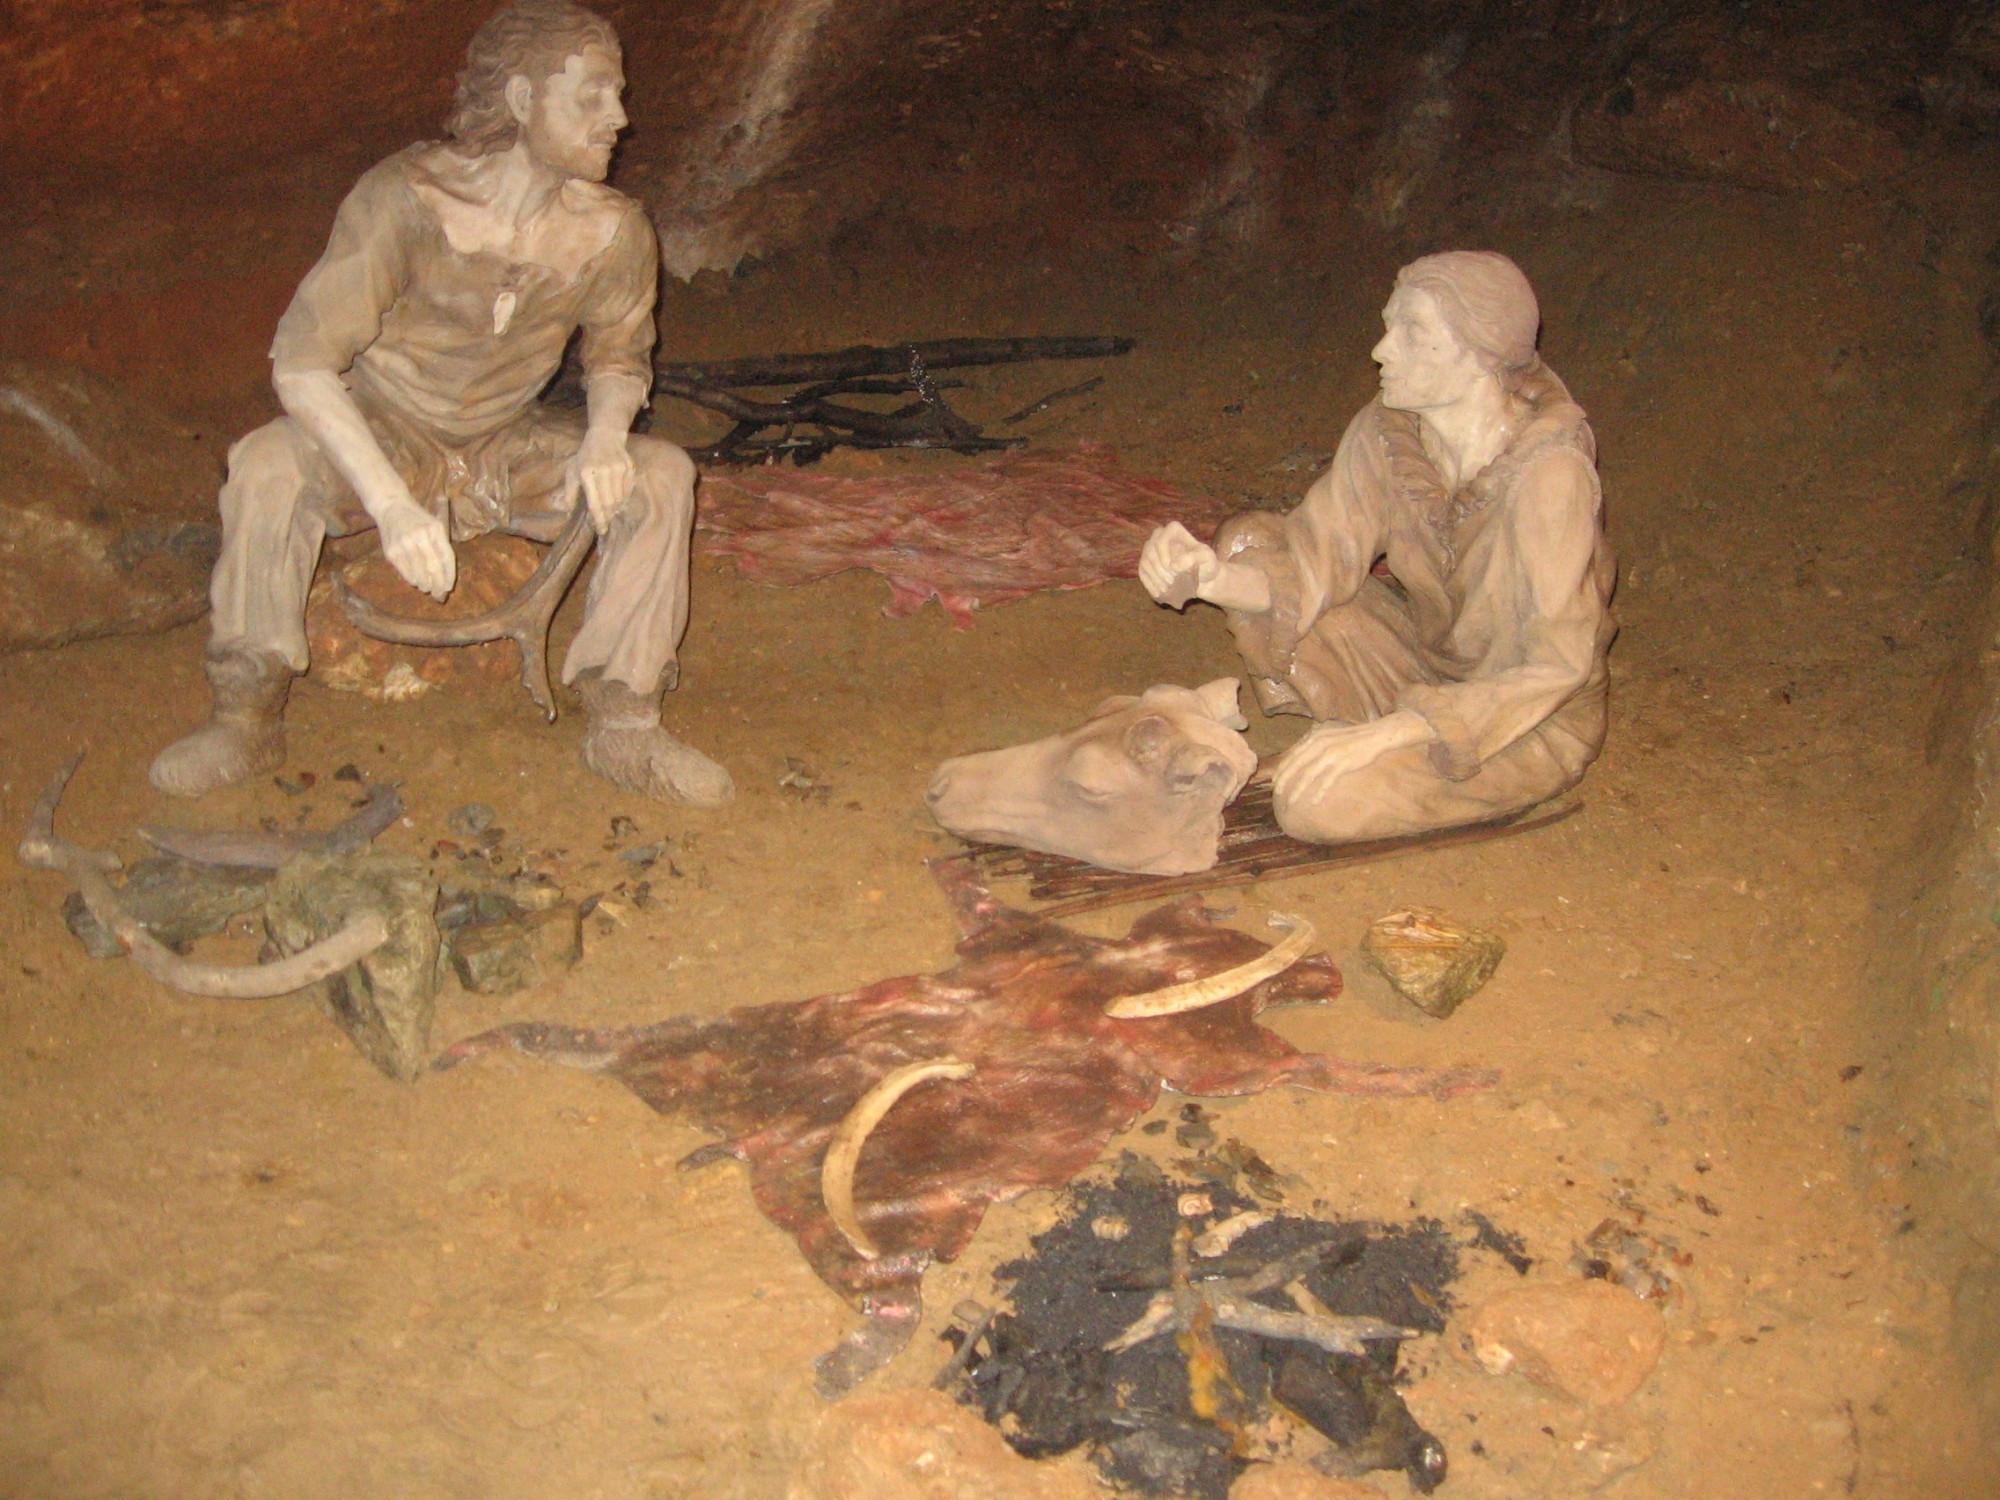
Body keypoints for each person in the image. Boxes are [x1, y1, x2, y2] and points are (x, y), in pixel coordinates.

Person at [150, 0, 732, 807]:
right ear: (522, 99)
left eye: (619, 95)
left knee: (659, 475)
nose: (620, 118)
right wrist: (390, 504)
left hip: (501, 444)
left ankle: (625, 722)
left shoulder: (613, 231)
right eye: (592, 96)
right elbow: (304, 363)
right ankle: (244, 713)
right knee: (269, 463)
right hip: (386, 431)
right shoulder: (407, 199)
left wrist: (605, 436)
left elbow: (619, 356)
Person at [1138, 250, 1615, 842]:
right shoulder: (1388, 431)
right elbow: (1316, 556)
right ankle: (1363, 748)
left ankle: (1368, 755)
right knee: (1248, 544)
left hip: (1523, 720)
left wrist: (1392, 731)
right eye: (1390, 326)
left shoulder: (1549, 474)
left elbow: (1556, 668)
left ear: (1482, 352)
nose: (1382, 350)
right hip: (1427, 668)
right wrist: (1211, 579)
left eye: (1412, 331)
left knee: (1316, 806)